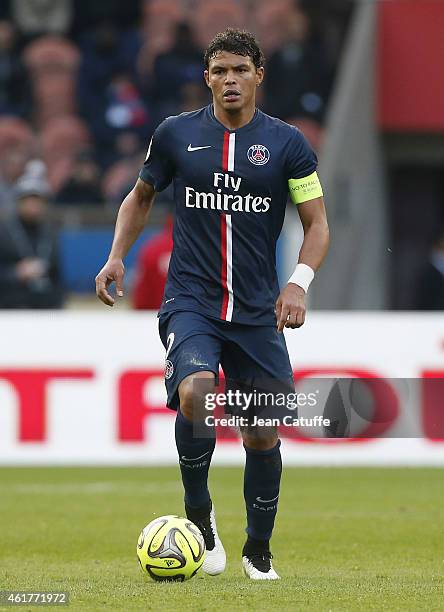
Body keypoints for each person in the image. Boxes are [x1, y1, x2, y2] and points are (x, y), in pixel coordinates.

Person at [96, 29, 329, 580]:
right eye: (220, 70)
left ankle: (258, 550)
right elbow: (141, 196)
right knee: (196, 393)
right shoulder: (176, 135)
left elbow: (317, 223)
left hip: (256, 311)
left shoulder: (289, 145)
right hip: (191, 301)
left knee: (262, 433)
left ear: (258, 76)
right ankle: (200, 521)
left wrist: (297, 283)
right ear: (207, 77)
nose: (230, 80)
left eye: (240, 70)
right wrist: (115, 257)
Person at [0, 166, 64, 308]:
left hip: (44, 306)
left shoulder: (50, 233)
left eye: (38, 200)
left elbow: (57, 276)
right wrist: (15, 274)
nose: (33, 205)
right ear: (18, 202)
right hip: (9, 306)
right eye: (28, 200)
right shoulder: (4, 232)